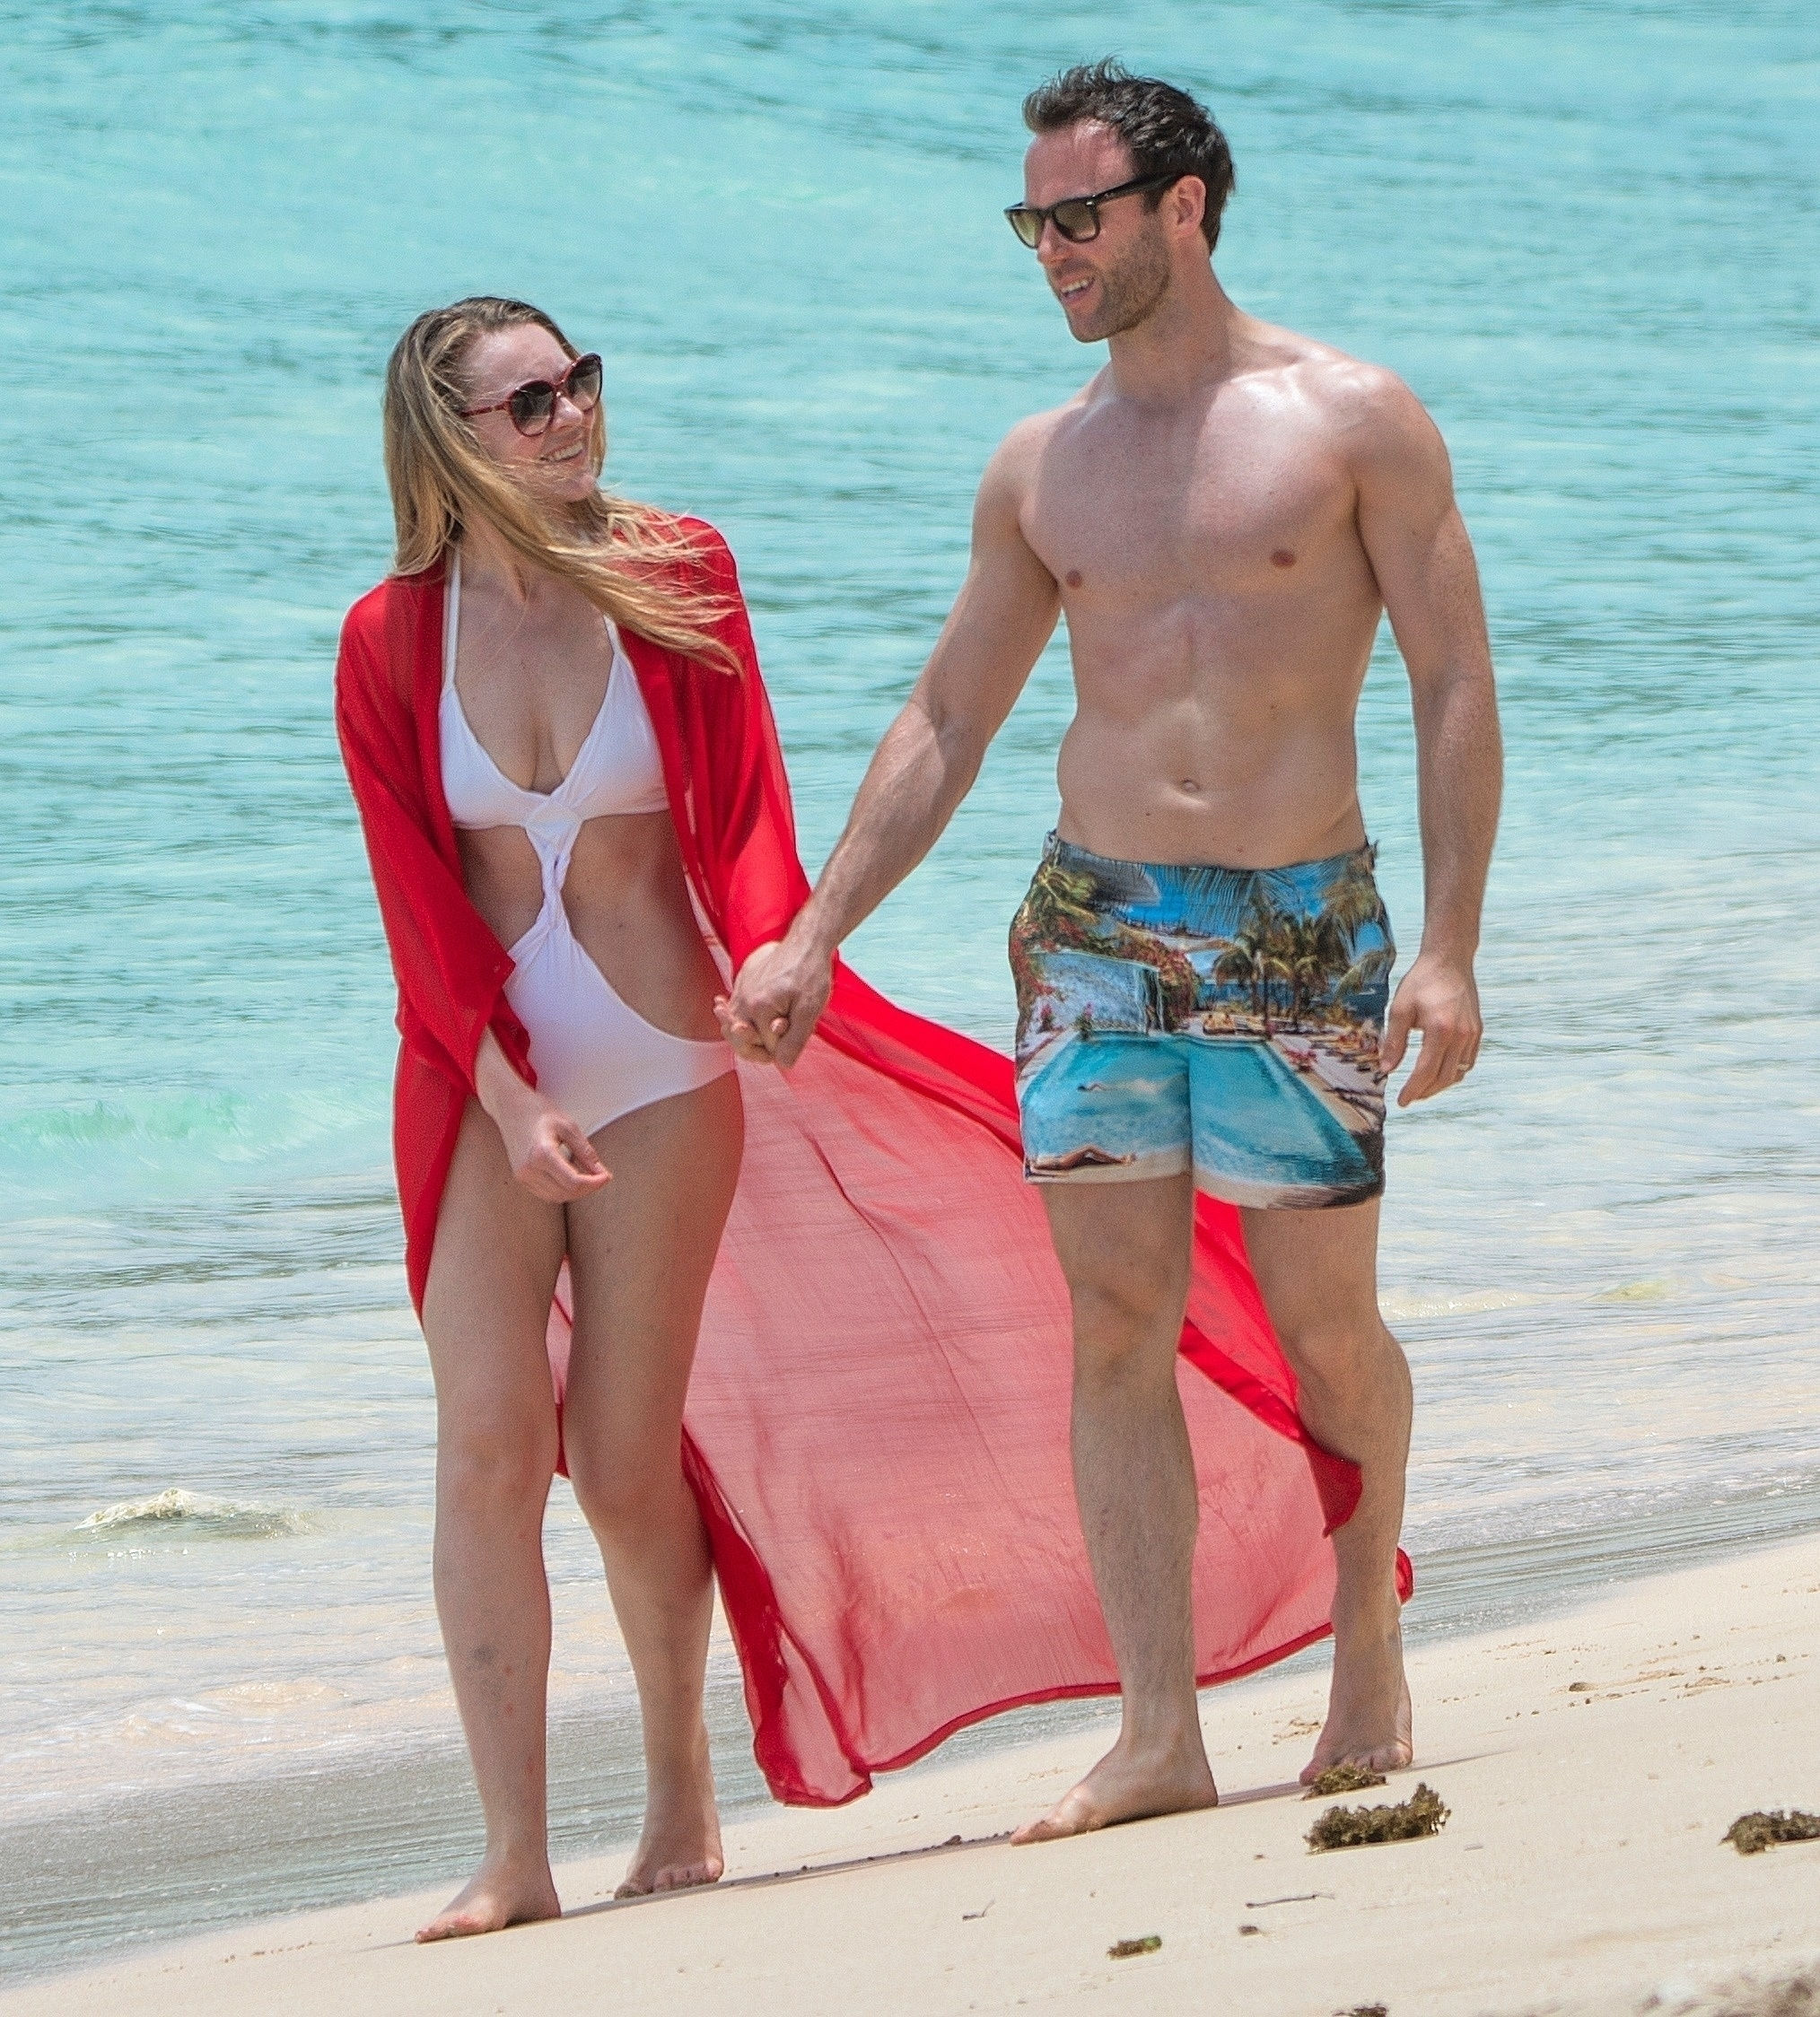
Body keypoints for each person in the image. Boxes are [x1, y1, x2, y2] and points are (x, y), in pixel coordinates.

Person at [721, 61, 1502, 1842]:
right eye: (1033, 222)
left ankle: (1367, 1638)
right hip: (1093, 931)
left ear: (1184, 207)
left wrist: (1451, 945)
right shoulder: (1042, 466)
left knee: (1325, 1323)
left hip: (1297, 929)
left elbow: (1454, 679)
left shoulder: (1354, 420)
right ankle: (1161, 1728)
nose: (1053, 249)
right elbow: (948, 714)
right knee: (1118, 1320)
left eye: (1079, 215)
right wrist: (817, 928)